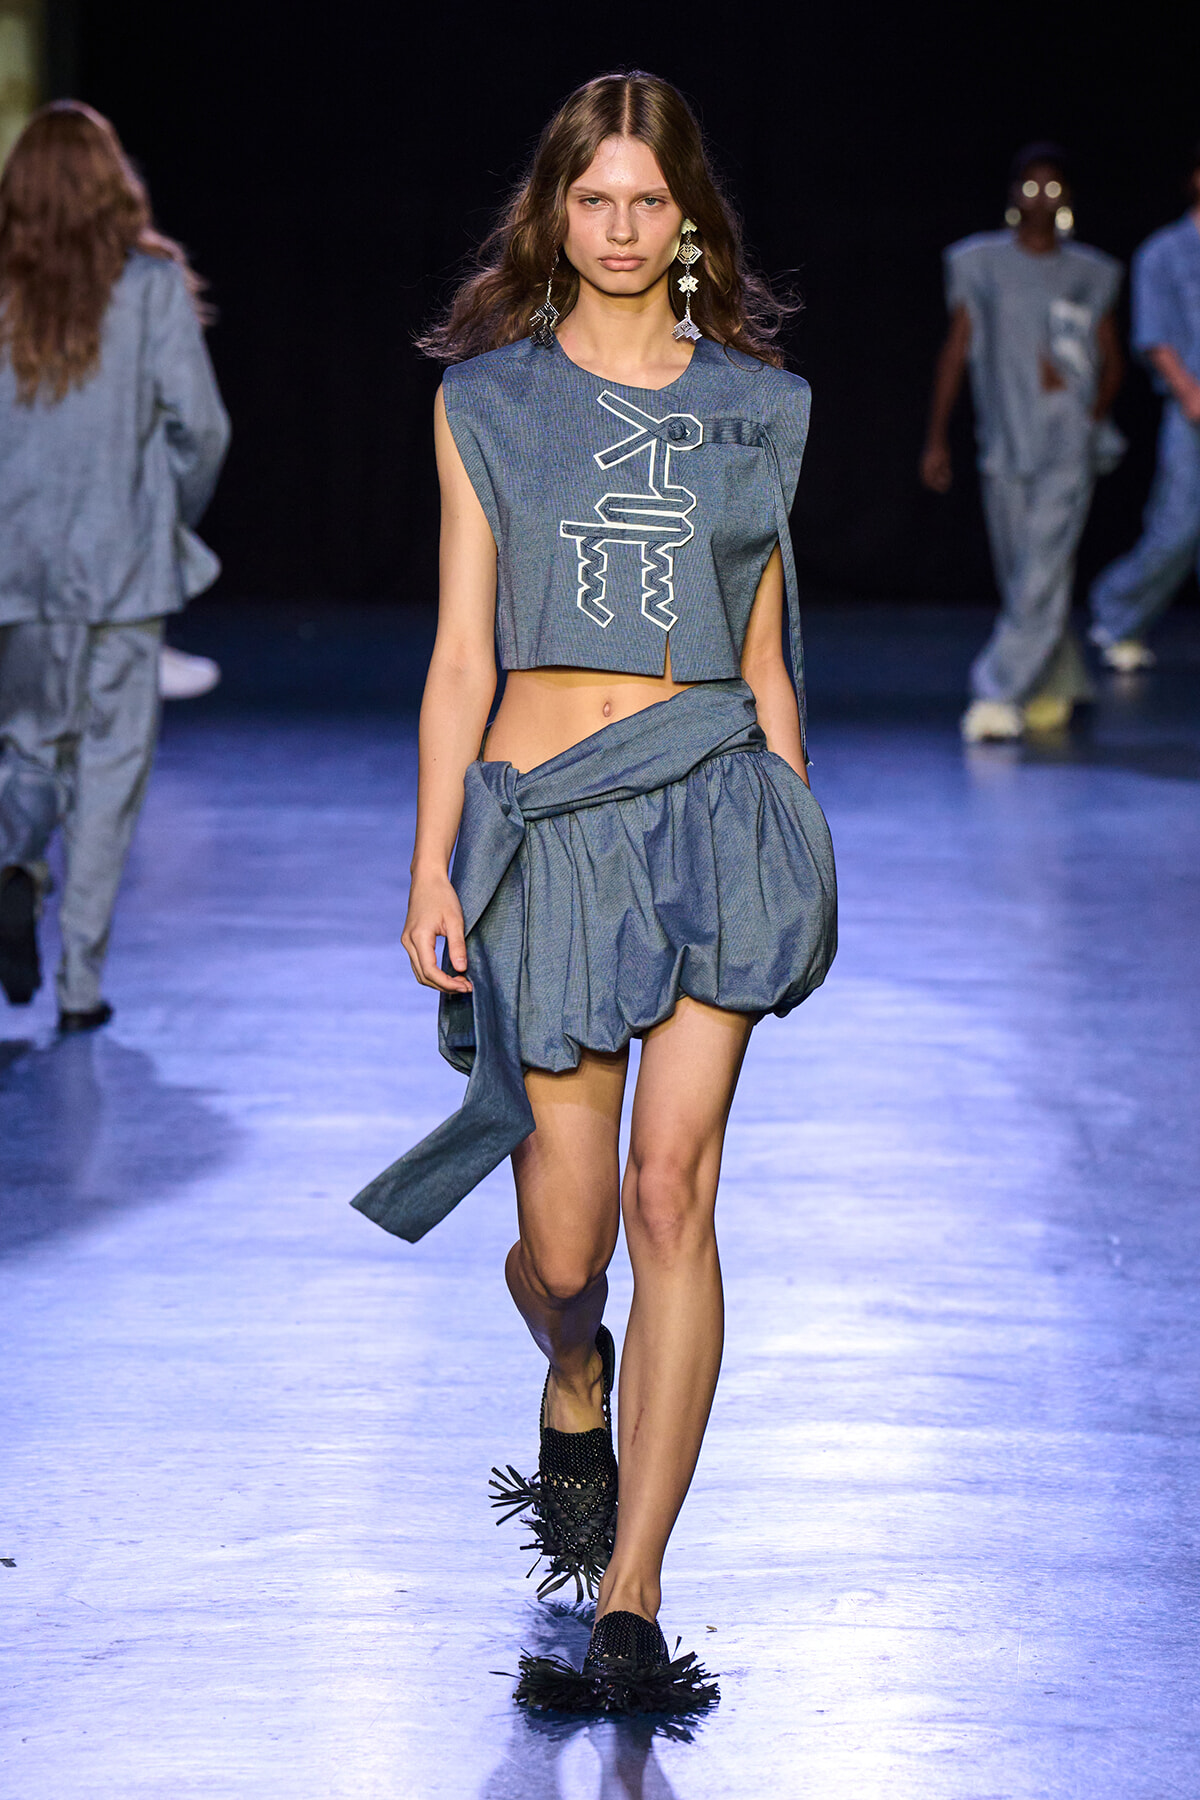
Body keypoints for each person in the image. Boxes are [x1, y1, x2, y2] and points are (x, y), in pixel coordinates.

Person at [350, 72, 836, 1713]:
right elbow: (460, 655)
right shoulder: (486, 404)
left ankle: (631, 1593)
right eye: (594, 198)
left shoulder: (760, 408)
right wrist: (432, 857)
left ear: (687, 217)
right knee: (564, 1254)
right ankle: (577, 1368)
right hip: (548, 833)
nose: (622, 228)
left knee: (669, 1198)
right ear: (554, 214)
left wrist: (795, 839)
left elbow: (765, 653)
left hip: (711, 810)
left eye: (649, 199)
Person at [0, 102, 228, 1029]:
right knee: (111, 768)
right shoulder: (150, 287)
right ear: (111, 182)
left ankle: (14, 866)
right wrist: (162, 514)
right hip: (124, 567)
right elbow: (201, 430)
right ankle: (80, 984)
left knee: (28, 746)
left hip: (15, 567)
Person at [921, 143, 1124, 741]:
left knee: (1041, 570)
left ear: (1067, 198)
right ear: (1014, 195)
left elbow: (1111, 358)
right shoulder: (980, 263)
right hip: (1005, 434)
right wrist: (936, 438)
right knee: (1023, 574)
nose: (1041, 199)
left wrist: (1089, 416)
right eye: (1030, 187)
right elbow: (957, 349)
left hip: (1066, 437)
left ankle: (996, 692)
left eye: (1052, 188)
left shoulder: (1090, 271)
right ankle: (1057, 679)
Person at [1089, 141, 1200, 670]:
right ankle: (1116, 612)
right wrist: (1189, 392)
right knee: (1178, 526)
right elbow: (1155, 335)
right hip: (1191, 409)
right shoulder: (1164, 252)